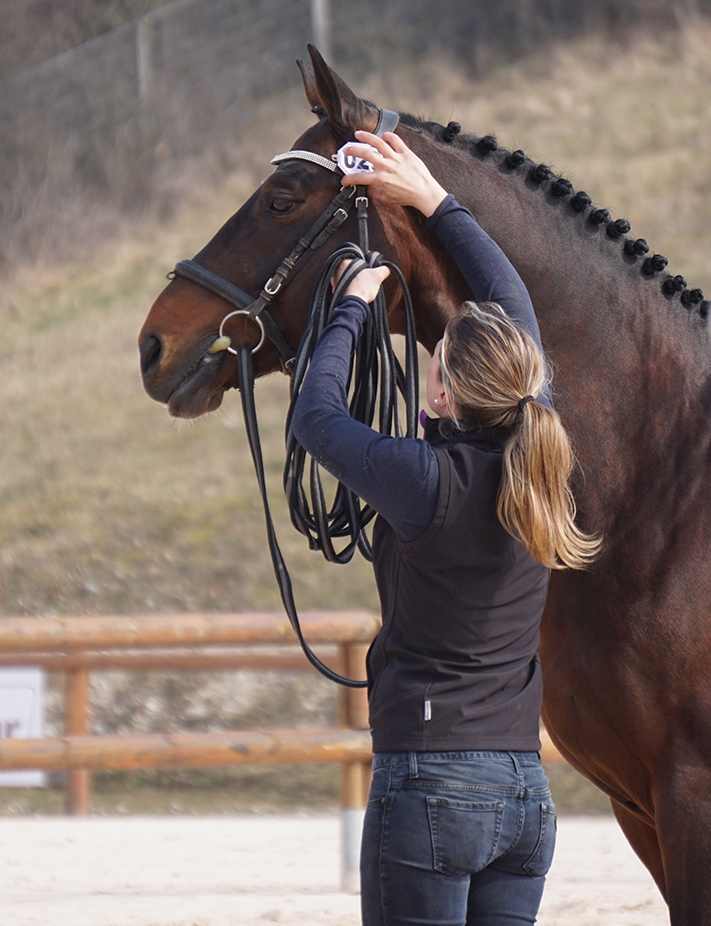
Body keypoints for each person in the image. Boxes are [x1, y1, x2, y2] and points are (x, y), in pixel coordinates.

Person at [289, 129, 599, 926]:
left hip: (429, 784)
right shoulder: (542, 460)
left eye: (434, 366)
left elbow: (317, 417)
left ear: (445, 397)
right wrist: (433, 198)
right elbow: (514, 306)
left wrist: (353, 309)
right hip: (524, 793)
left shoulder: (426, 480)